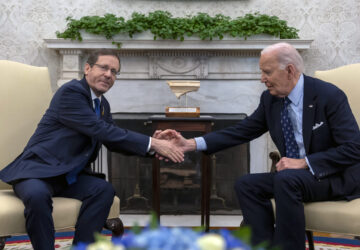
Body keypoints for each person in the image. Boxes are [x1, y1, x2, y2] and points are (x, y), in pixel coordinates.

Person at [158, 42, 360, 249]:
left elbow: (354, 148)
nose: (262, 78)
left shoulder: (329, 96)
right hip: (293, 179)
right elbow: (241, 131)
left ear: (289, 70)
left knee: (286, 180)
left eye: (267, 72)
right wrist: (190, 144)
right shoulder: (271, 100)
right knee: (246, 184)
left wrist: (304, 163)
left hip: (335, 177)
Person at [0, 49, 184, 250]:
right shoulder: (71, 92)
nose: (108, 75)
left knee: (103, 190)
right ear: (87, 68)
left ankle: (82, 247)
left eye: (114, 72)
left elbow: (113, 139)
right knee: (36, 197)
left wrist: (152, 145)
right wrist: (153, 143)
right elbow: (99, 129)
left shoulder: (102, 104)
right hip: (37, 171)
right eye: (104, 67)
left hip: (66, 177)